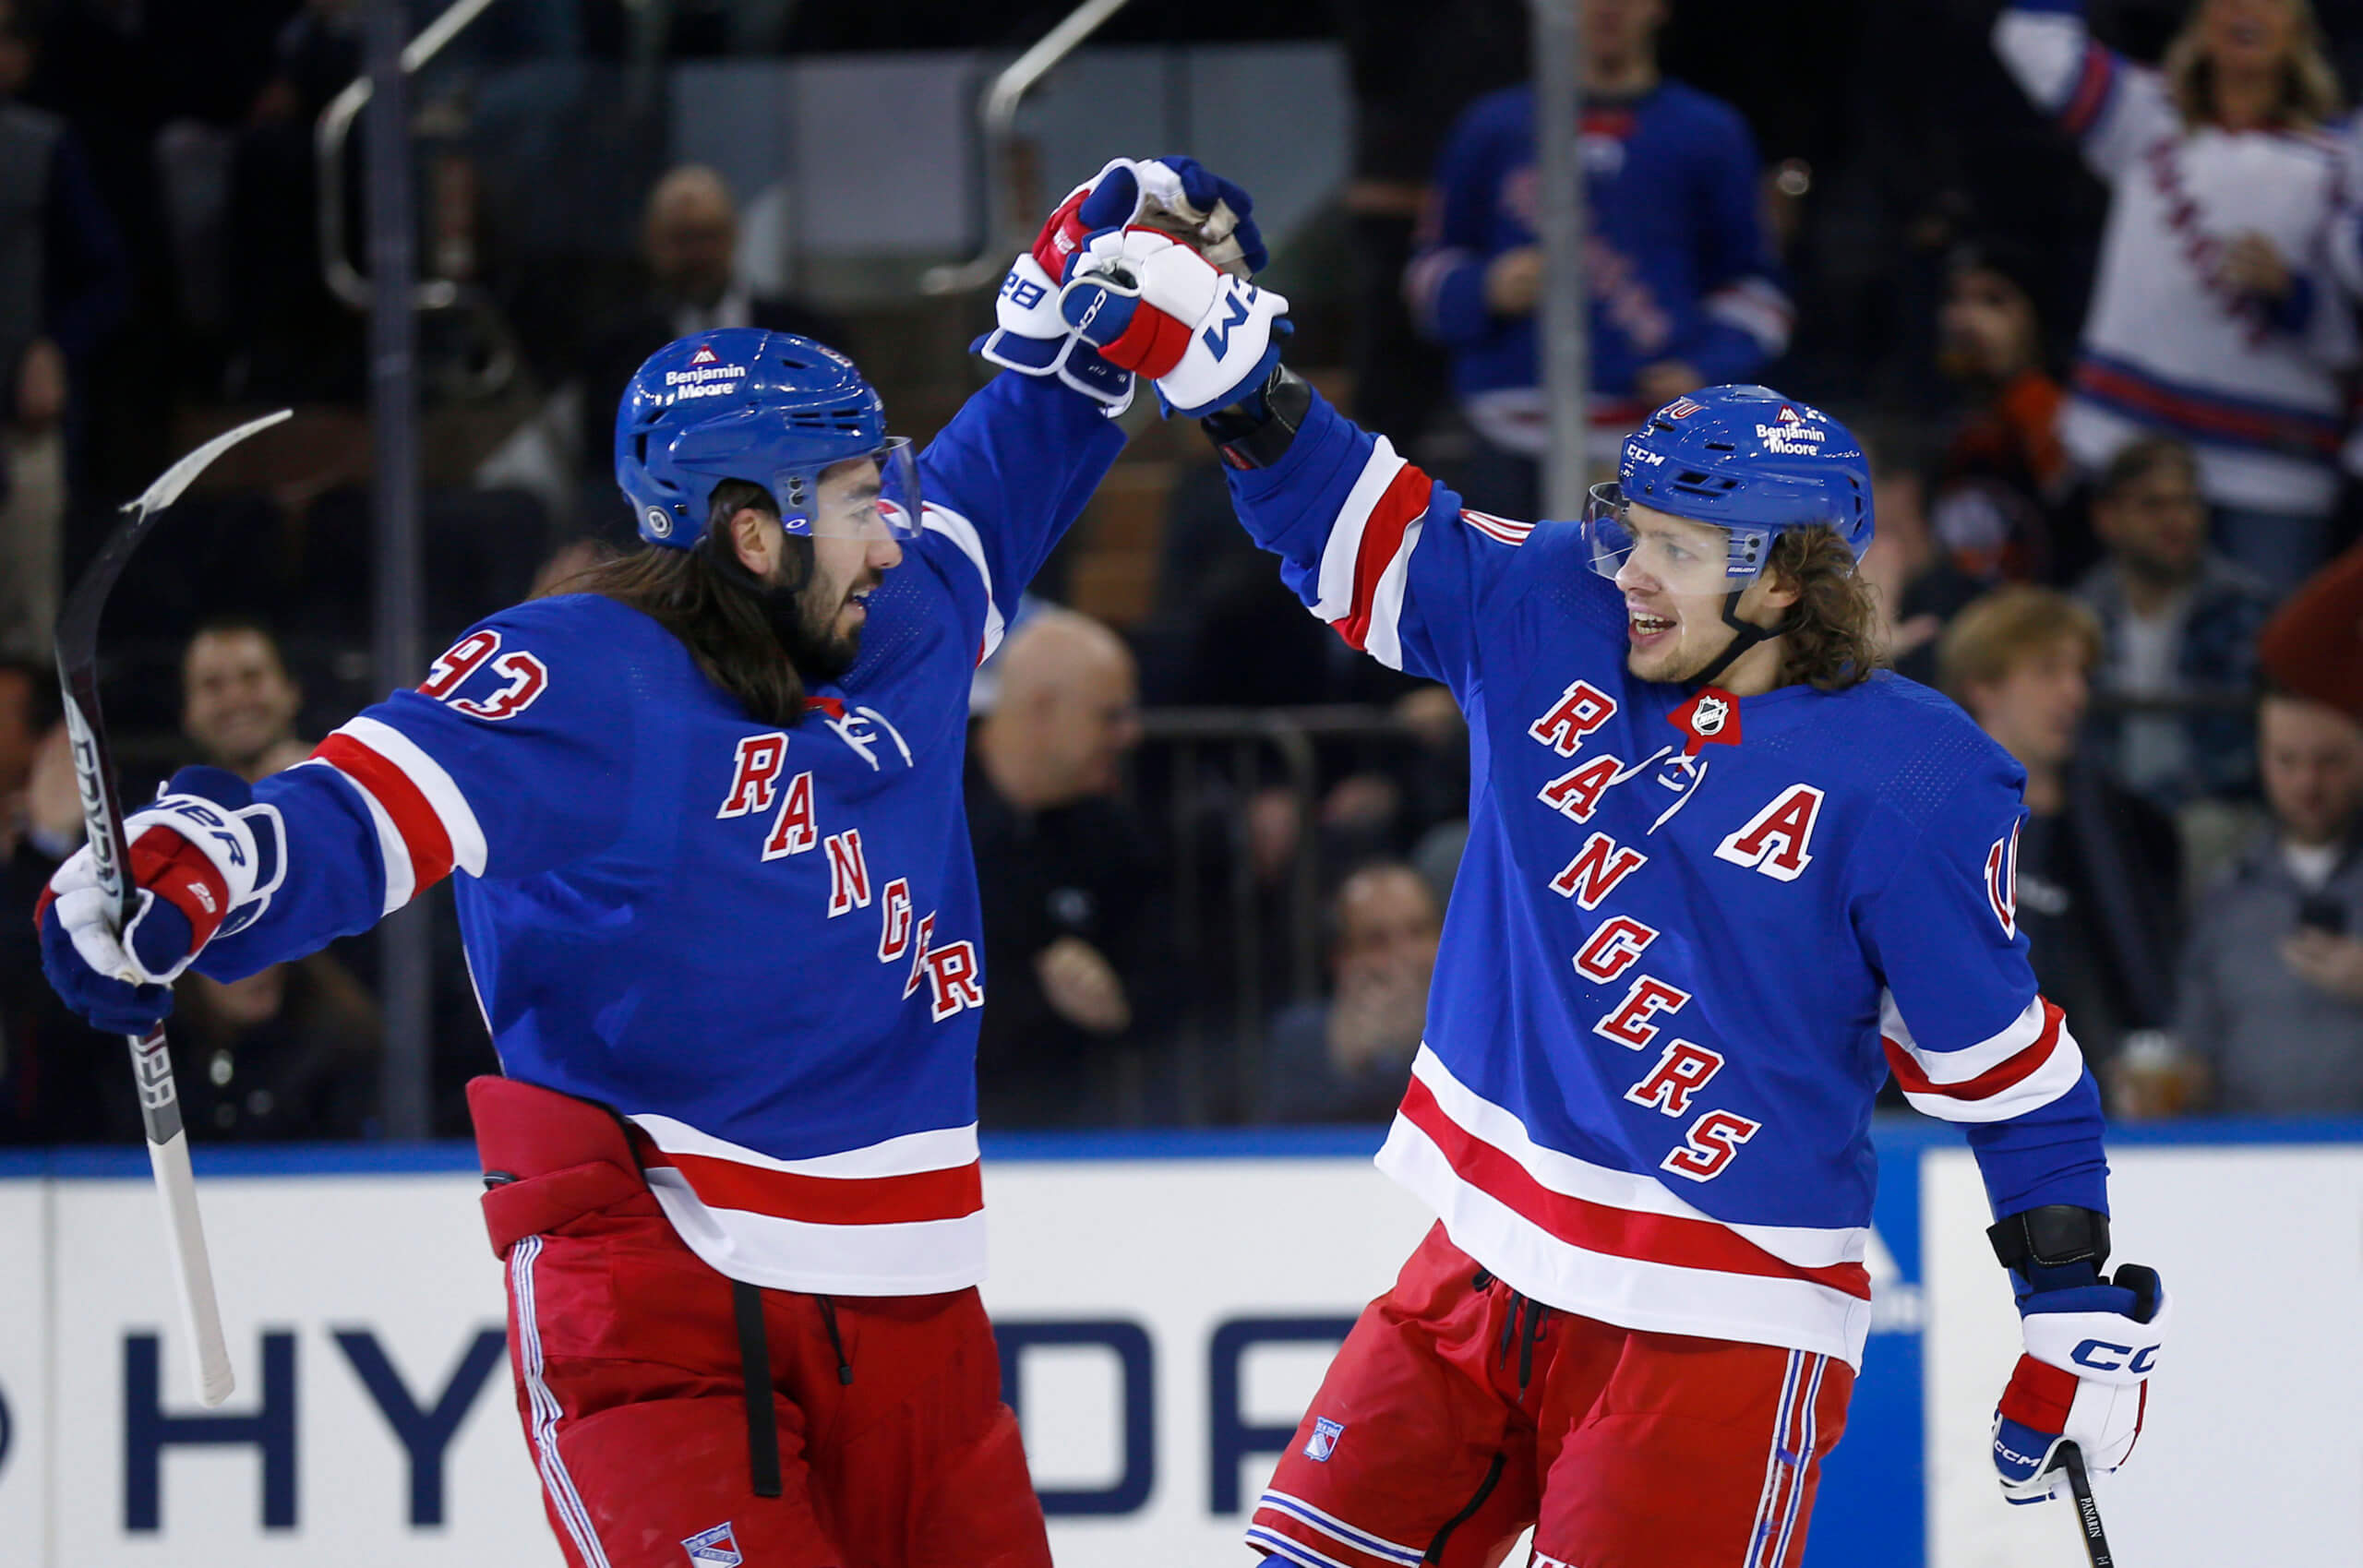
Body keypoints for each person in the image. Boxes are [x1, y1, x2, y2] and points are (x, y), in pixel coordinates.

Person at [35, 156, 1255, 1568]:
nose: (889, 529)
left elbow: (1032, 430)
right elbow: (363, 804)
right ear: (752, 528)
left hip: (912, 1307)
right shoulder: (583, 674)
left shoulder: (906, 607)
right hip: (660, 1296)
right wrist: (196, 873)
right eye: (856, 499)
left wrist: (1121, 295)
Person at [1055, 229, 2165, 1566]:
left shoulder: (1916, 774)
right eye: (1631, 526)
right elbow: (1355, 520)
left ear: (1790, 579)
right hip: (1481, 1258)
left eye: (1681, 550)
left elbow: (2002, 1062)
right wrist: (1235, 379)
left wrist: (2068, 1303)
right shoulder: (1551, 607)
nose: (1631, 567)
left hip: (1724, 1312)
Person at [1995, 0, 2358, 592]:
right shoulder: (2142, 113)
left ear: (2301, 24)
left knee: (2261, 671)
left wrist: (2290, 297)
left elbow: (2349, 339)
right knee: (2103, 660)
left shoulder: (2344, 156)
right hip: (2129, 448)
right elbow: (2031, 34)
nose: (2247, 11)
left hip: (2271, 472)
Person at [1405, 0, 1790, 516]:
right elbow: (1426, 273)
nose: (1607, 7)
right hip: (1510, 430)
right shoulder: (1492, 128)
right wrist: (1483, 287)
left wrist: (1705, 366)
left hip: (1656, 437)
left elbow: (1756, 289)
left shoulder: (1708, 132)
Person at [1939, 586, 2183, 1073]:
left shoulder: (2138, 830)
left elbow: (2159, 979)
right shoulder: (1928, 825)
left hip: (2108, 1101)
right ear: (1983, 686)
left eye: (2080, 674)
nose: (2075, 693)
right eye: (2048, 671)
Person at [964, 605, 1160, 1129]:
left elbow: (1171, 977)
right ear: (1044, 710)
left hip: (1073, 1131)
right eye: (1110, 716)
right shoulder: (922, 806)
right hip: (931, 1126)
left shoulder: (1111, 835)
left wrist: (1118, 1002)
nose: (1130, 735)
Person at [0, 0, 130, 662]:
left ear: (19, 58)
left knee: (29, 624)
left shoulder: (38, 146)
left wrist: (56, 349)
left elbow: (107, 278)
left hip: (19, 428)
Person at [2165, 688, 2363, 1113]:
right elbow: (2195, 1053)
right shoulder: (2224, 897)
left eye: (2328, 761)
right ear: (2262, 759)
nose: (2307, 783)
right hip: (2252, 1161)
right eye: (2287, 761)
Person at [2073, 436, 2275, 808]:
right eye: (2153, 505)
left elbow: (2246, 751)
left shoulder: (2245, 608)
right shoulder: (2079, 614)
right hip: (2108, 817)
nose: (2175, 520)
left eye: (2187, 503)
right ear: (2107, 518)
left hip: (2215, 812)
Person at [1265, 861, 1444, 1124]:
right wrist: (1352, 1064)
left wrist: (1407, 1050)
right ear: (1342, 958)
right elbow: (1283, 1148)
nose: (1405, 955)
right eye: (1376, 941)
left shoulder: (1478, 1032)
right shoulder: (1300, 1040)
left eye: (1418, 932)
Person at [180, 618, 314, 783]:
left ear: (291, 690)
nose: (234, 698)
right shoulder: (165, 804)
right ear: (188, 709)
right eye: (213, 685)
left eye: (251, 677)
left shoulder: (346, 788)